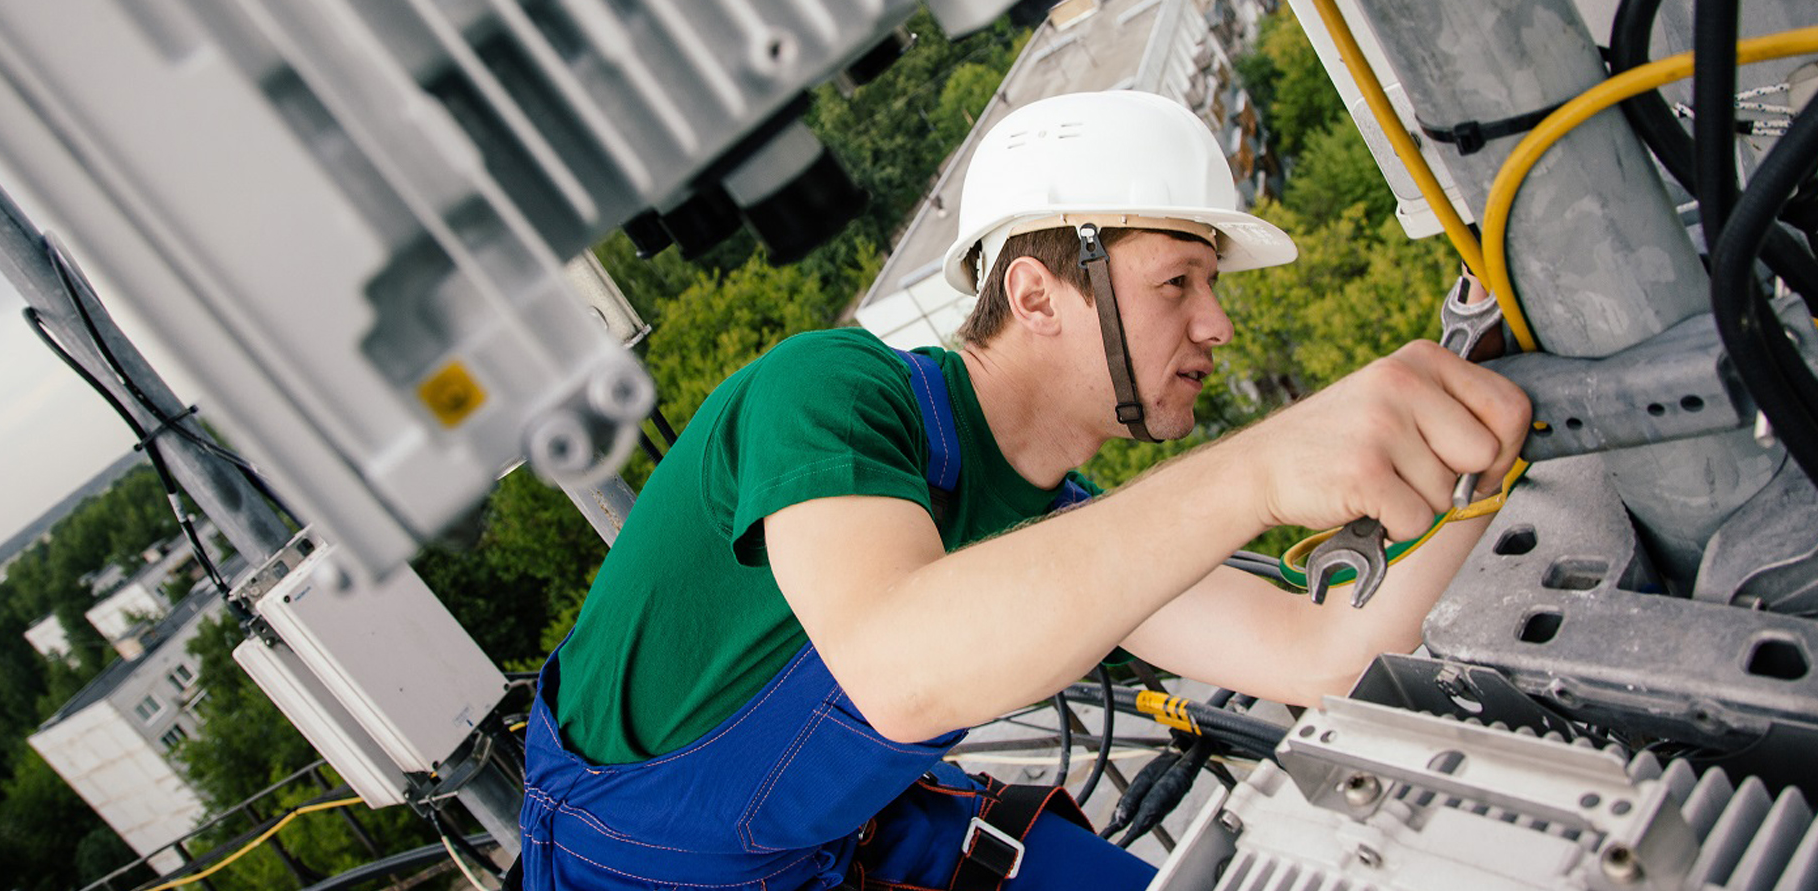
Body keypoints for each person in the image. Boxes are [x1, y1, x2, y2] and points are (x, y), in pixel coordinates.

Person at [517, 90, 1531, 890]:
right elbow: (900, 664)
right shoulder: (828, 389)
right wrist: (1261, 469)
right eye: (1178, 281)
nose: (1217, 324)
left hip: (818, 846)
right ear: (1035, 293)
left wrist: (1508, 435)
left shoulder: (1058, 523)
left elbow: (1319, 650)